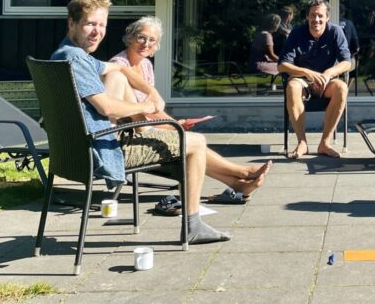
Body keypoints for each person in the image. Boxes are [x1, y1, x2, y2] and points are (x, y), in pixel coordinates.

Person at [50, 0, 230, 244]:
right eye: (90, 24)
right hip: (102, 151)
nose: (97, 32)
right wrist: (146, 105)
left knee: (119, 78)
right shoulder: (76, 59)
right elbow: (105, 108)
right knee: (196, 142)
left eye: (102, 25)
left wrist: (151, 91)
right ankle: (193, 225)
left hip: (75, 150)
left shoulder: (64, 55)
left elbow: (119, 68)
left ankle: (146, 131)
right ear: (72, 23)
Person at [104, 15, 272, 200]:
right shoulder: (118, 66)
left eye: (152, 40)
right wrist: (171, 125)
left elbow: (152, 109)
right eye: (141, 37)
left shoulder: (145, 65)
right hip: (129, 132)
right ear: (130, 37)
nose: (146, 43)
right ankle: (243, 172)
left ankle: (236, 183)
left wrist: (175, 123)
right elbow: (135, 113)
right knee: (192, 142)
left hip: (145, 124)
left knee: (187, 138)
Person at [278, 0, 352, 159]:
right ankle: (302, 143)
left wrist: (328, 73)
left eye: (320, 15)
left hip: (327, 81)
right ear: (307, 17)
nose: (316, 20)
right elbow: (282, 66)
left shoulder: (335, 31)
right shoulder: (297, 33)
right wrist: (307, 73)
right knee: (292, 87)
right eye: (312, 15)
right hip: (302, 80)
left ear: (327, 17)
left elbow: (347, 63)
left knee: (342, 87)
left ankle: (325, 143)